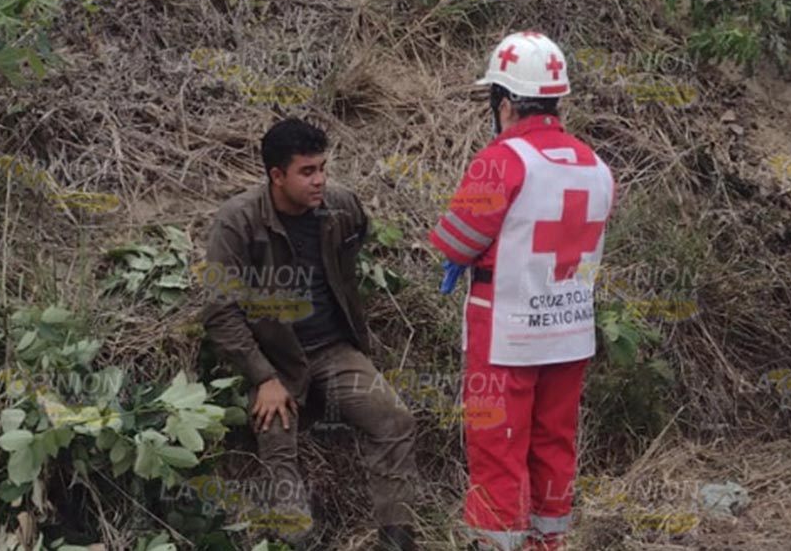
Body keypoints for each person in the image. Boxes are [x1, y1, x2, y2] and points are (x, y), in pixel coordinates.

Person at [430, 32, 616, 550]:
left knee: (498, 450)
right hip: (570, 332)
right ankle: (547, 544)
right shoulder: (597, 167)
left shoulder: (503, 159)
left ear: (506, 104)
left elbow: (456, 239)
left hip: (507, 332)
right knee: (555, 446)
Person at [202, 118, 418, 551]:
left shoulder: (340, 206)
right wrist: (262, 377)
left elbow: (358, 238)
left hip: (335, 351)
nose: (319, 179)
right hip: (277, 358)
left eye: (322, 167)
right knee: (277, 440)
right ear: (276, 175)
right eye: (307, 171)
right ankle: (298, 540)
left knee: (395, 419)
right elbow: (219, 311)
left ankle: (397, 539)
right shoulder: (237, 223)